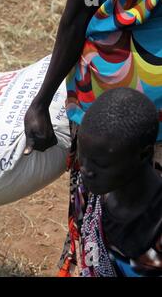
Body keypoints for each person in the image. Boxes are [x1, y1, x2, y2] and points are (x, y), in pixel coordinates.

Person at [23, 0, 162, 276]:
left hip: (103, 105)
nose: (85, 168)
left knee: (102, 204)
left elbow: (78, 16)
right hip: (128, 120)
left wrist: (40, 102)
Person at [76, 87, 162, 276]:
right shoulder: (91, 196)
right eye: (83, 156)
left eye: (100, 164)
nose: (85, 170)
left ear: (143, 155)